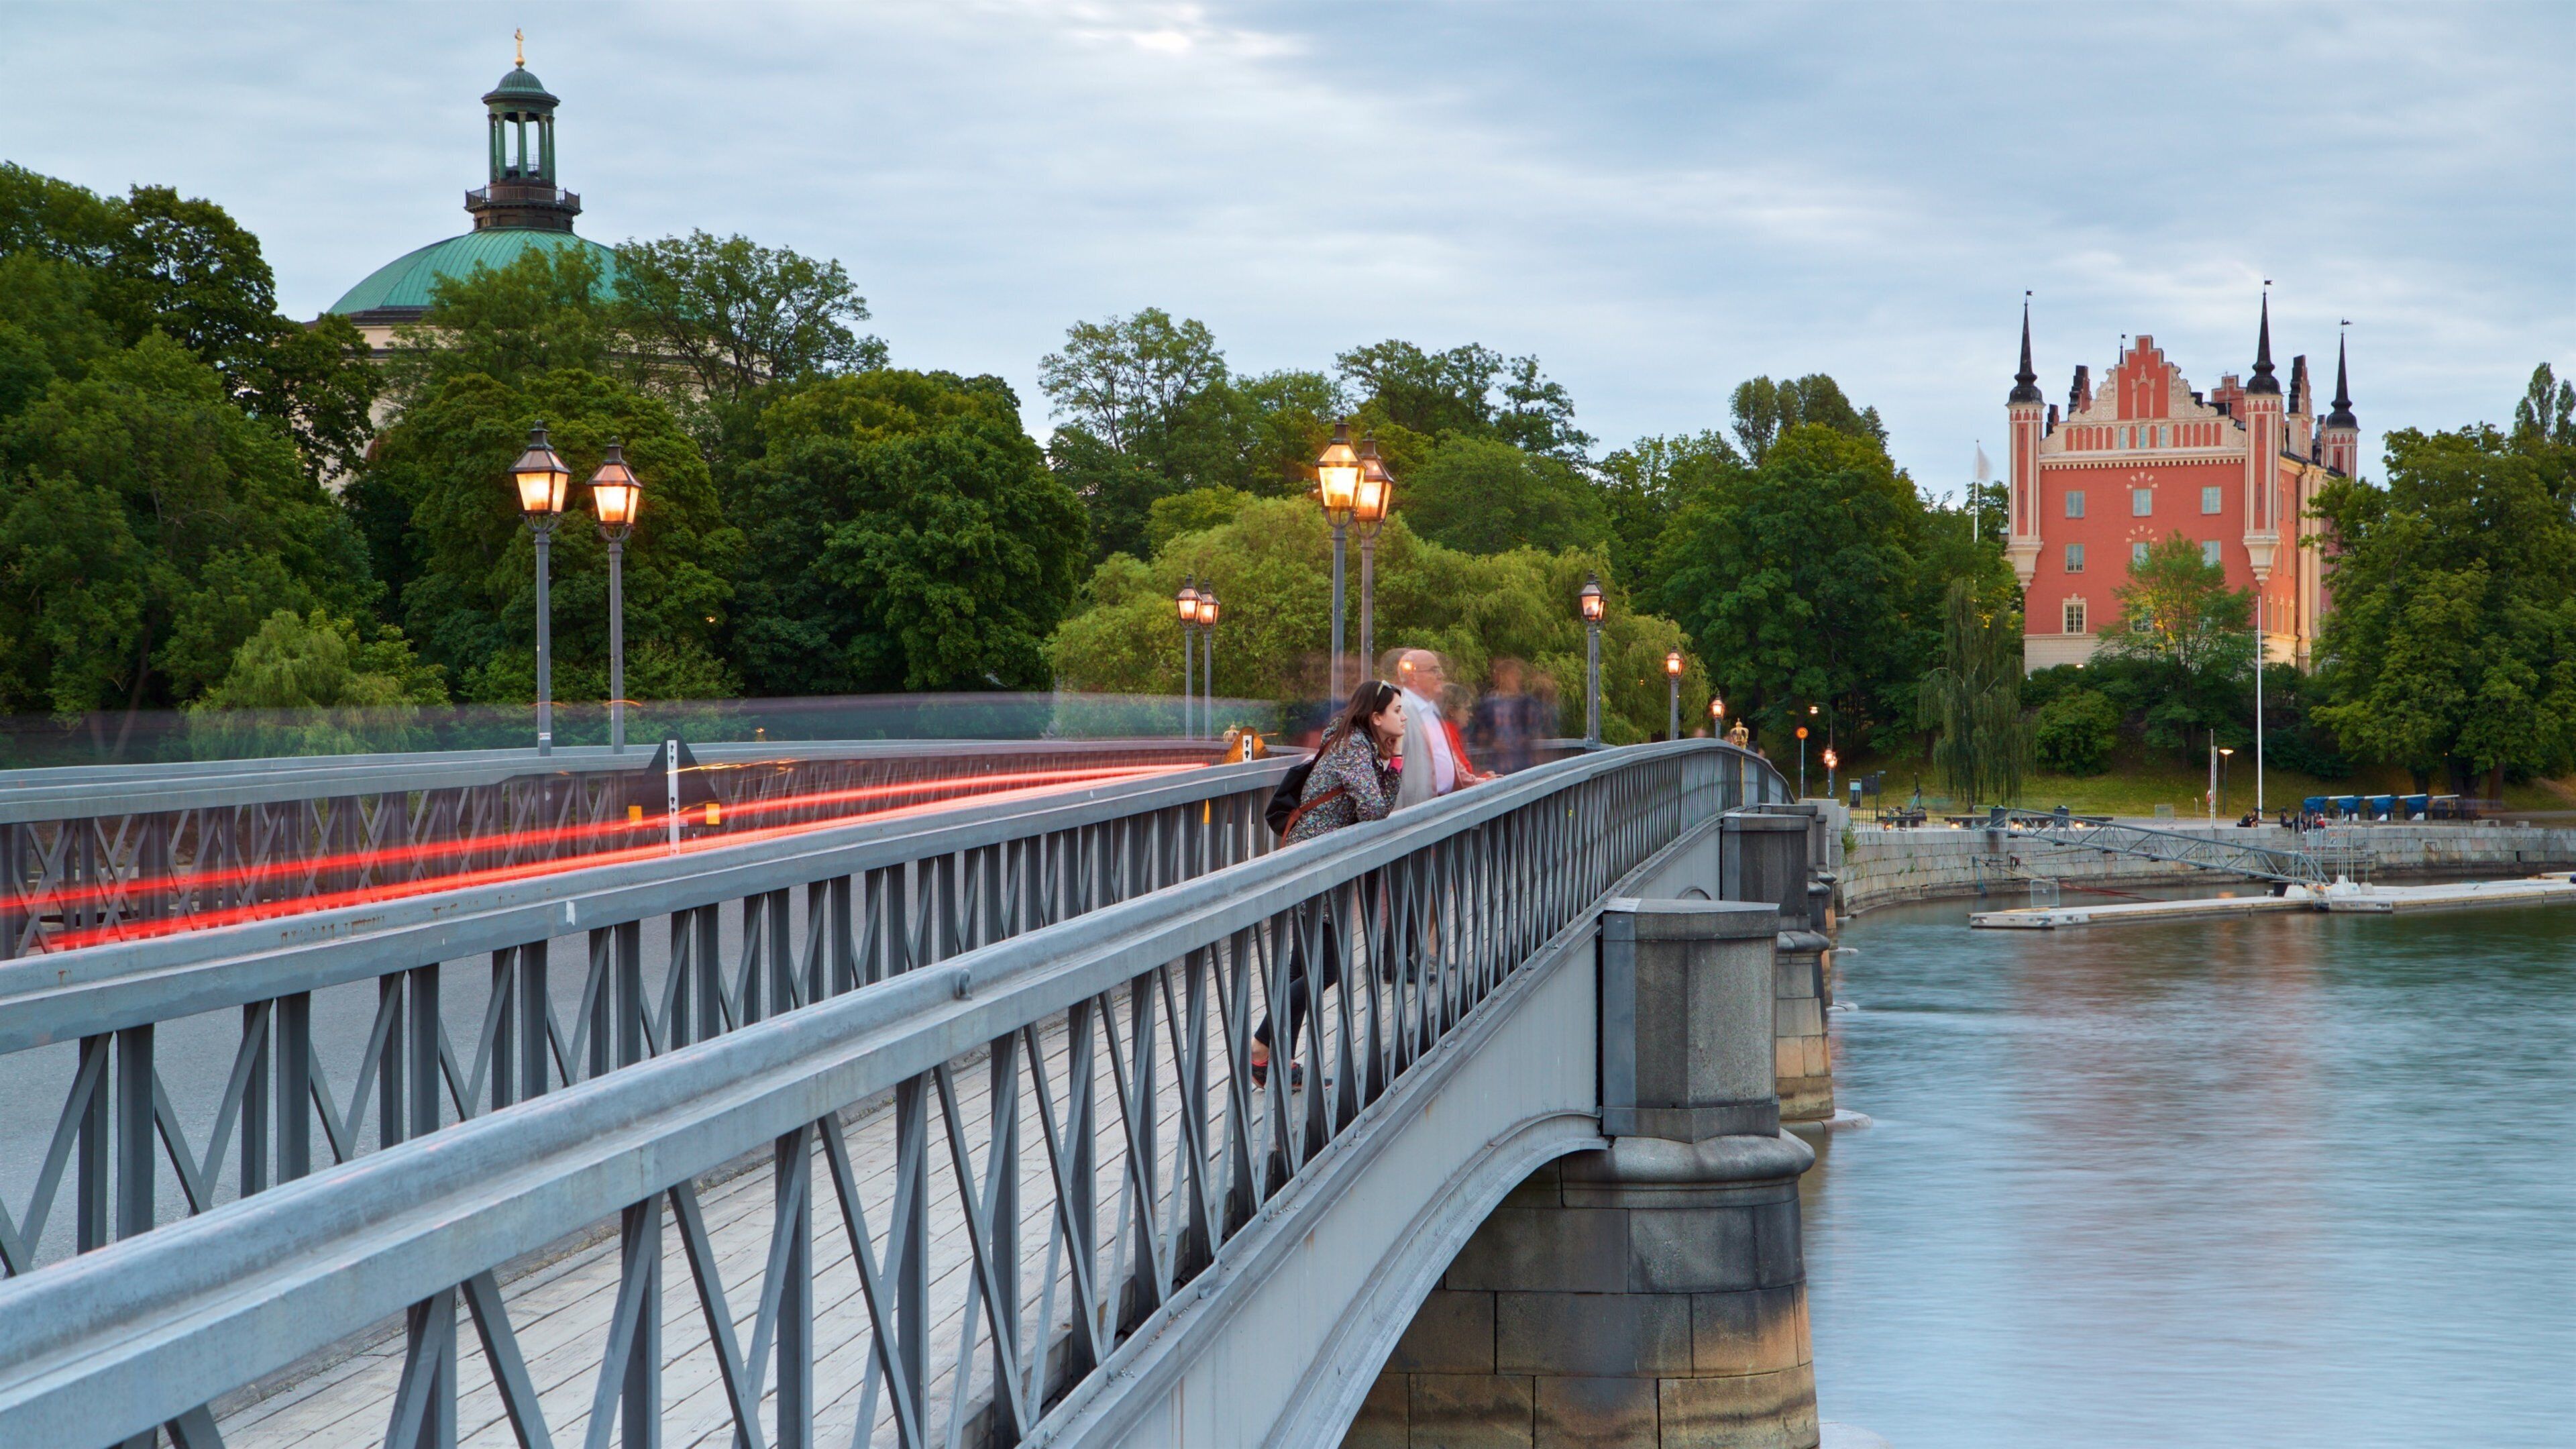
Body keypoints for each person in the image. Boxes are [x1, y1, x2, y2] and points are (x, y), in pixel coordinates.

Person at [1250, 680, 1407, 1085]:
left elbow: (1380, 805)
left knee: (1303, 966)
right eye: (1396, 711)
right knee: (1329, 968)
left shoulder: (1360, 743)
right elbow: (1373, 809)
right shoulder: (1354, 745)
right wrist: (1393, 760)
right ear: (1376, 717)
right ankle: (1261, 1045)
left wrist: (1395, 757)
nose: (1403, 717)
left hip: (1318, 860)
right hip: (1314, 861)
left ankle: (1271, 1062)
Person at [1391, 649, 1491, 808]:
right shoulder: (1401, 711)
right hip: (1415, 813)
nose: (1441, 675)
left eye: (1440, 670)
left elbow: (1445, 758)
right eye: (1434, 670)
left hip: (1441, 807)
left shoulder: (1431, 709)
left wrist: (1479, 782)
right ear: (1413, 677)